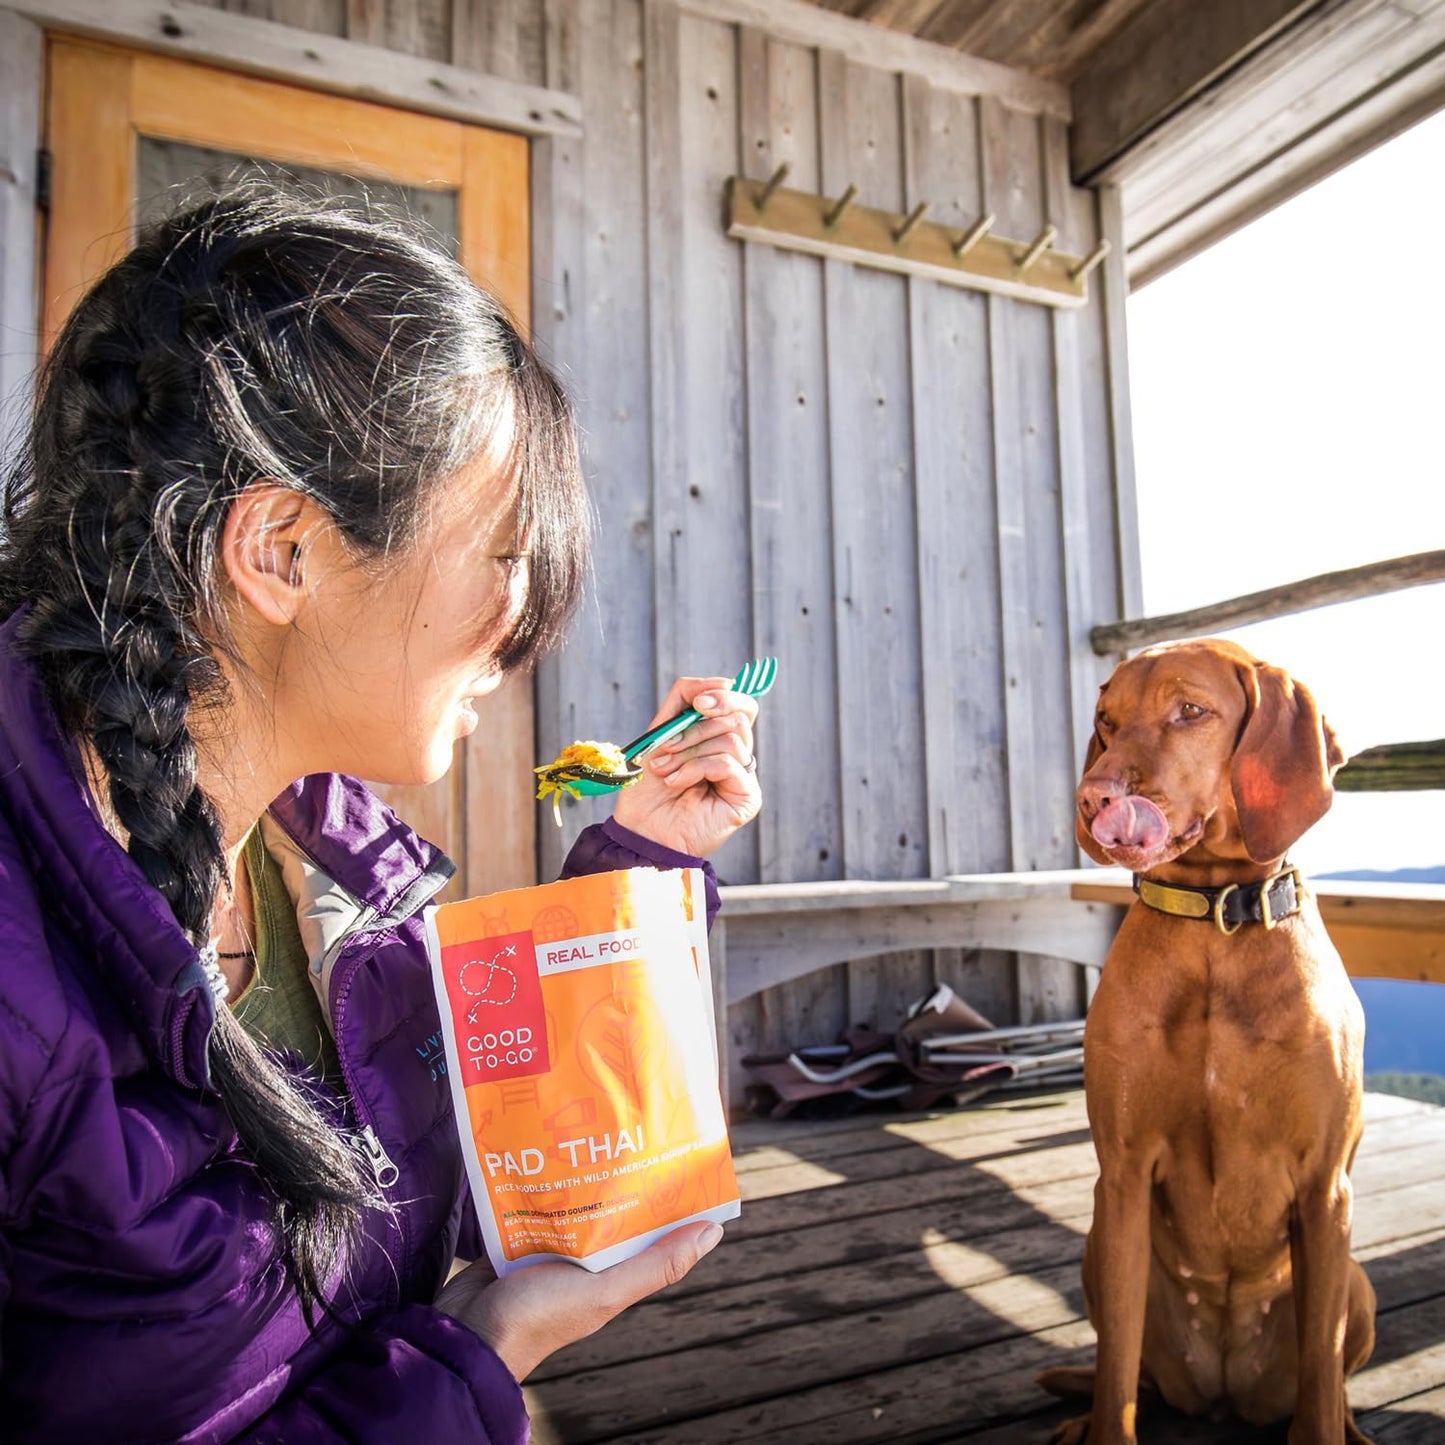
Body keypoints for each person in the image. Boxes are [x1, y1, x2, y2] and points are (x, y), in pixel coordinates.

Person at [0, 187, 762, 1443]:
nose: (522, 628)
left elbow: (462, 1168)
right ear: (283, 549)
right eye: (505, 552)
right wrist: (479, 1349)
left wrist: (643, 860)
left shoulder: (328, 854)